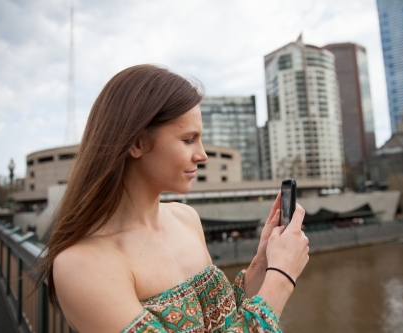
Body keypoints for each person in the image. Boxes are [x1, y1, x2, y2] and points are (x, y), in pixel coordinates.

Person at [36, 64, 309, 333]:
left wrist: (263, 262)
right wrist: (281, 278)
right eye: (189, 139)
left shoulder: (185, 217)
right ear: (137, 143)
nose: (202, 155)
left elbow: (223, 323)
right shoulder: (83, 264)